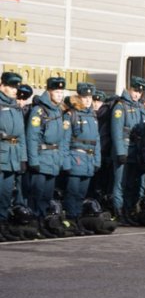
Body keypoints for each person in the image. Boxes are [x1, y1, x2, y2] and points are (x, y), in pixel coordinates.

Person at [25, 77, 67, 232]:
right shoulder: (39, 110)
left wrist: (61, 158)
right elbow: (32, 136)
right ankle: (33, 223)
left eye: (61, 92)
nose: (59, 95)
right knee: (36, 194)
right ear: (49, 91)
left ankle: (42, 222)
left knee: (47, 195)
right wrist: (33, 160)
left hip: (53, 159)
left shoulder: (58, 110)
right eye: (56, 91)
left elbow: (61, 139)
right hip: (42, 158)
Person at [63, 83, 101, 236]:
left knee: (81, 194)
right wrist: (65, 162)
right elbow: (65, 140)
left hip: (89, 160)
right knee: (72, 192)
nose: (87, 100)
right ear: (79, 97)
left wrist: (97, 160)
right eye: (84, 97)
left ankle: (77, 219)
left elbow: (96, 140)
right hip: (75, 158)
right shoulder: (72, 114)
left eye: (89, 97)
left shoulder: (92, 115)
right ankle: (71, 220)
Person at [110, 77, 145, 223]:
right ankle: (118, 212)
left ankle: (128, 211)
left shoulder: (139, 107)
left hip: (135, 150)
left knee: (131, 184)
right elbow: (117, 131)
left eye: (140, 92)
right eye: (135, 91)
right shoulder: (120, 106)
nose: (137, 94)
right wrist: (120, 151)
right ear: (130, 89)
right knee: (120, 183)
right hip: (124, 149)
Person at [0, 71, 28, 242]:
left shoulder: (16, 107)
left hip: (13, 156)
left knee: (5, 193)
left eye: (16, 87)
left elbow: (22, 135)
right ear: (2, 86)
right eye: (11, 86)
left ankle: (2, 225)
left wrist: (23, 158)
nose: (14, 90)